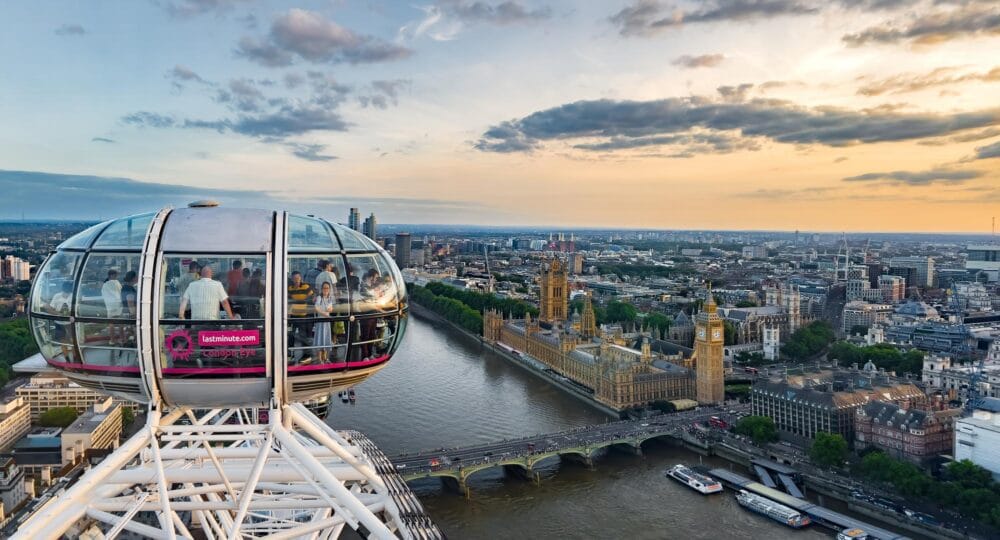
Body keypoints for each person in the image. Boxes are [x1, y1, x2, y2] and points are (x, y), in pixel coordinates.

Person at [287, 271, 314, 359]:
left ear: (300, 278)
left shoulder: (305, 287)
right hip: (293, 315)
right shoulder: (290, 288)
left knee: (303, 335)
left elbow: (312, 297)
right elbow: (288, 301)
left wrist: (305, 303)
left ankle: (306, 355)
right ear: (292, 279)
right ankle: (290, 354)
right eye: (295, 278)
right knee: (291, 335)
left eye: (298, 278)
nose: (296, 280)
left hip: (303, 315)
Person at [313, 282, 336, 363]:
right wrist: (324, 314)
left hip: (326, 322)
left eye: (327, 288)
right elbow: (316, 308)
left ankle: (325, 358)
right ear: (322, 289)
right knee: (320, 338)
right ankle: (320, 359)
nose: (326, 289)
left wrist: (329, 310)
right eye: (324, 288)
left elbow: (331, 308)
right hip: (320, 321)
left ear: (329, 289)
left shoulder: (330, 298)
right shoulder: (319, 297)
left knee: (326, 338)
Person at [102, 269, 124, 345]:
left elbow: (104, 295)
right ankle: (122, 339)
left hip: (110, 307)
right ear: (111, 275)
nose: (116, 276)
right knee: (121, 323)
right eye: (116, 275)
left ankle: (112, 340)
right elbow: (121, 292)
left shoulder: (105, 285)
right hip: (118, 306)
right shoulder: (116, 282)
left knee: (111, 324)